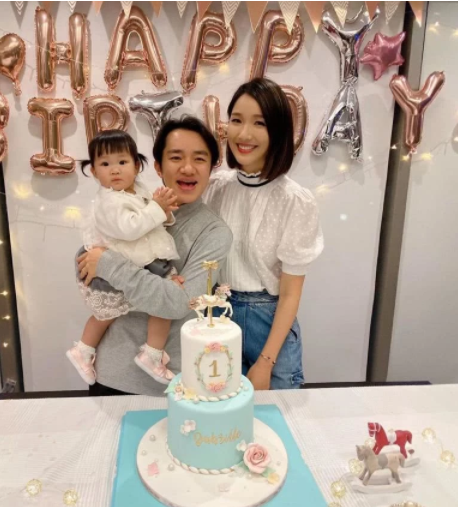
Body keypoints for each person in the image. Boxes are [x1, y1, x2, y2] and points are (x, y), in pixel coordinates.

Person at [77, 117, 233, 396]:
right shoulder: (131, 205)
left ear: (212, 168)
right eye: (176, 157)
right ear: (158, 166)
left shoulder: (214, 232)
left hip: (172, 382)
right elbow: (87, 268)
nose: (188, 168)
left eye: (199, 159)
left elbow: (179, 303)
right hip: (110, 373)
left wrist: (109, 265)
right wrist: (154, 289)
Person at [204, 78, 324, 390]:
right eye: (236, 120)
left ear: (278, 131)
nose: (244, 134)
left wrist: (266, 361)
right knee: (220, 410)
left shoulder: (294, 200)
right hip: (219, 315)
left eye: (259, 123)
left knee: (274, 415)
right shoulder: (215, 188)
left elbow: (290, 294)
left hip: (269, 324)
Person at [67, 130, 183, 386]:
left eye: (122, 162)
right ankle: (146, 354)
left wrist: (164, 211)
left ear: (137, 166)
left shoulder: (137, 190)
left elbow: (152, 221)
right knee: (123, 311)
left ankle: (89, 349)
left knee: (120, 312)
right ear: (94, 172)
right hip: (118, 264)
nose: (115, 170)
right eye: (105, 164)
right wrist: (157, 208)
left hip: (134, 261)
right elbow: (130, 228)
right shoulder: (109, 201)